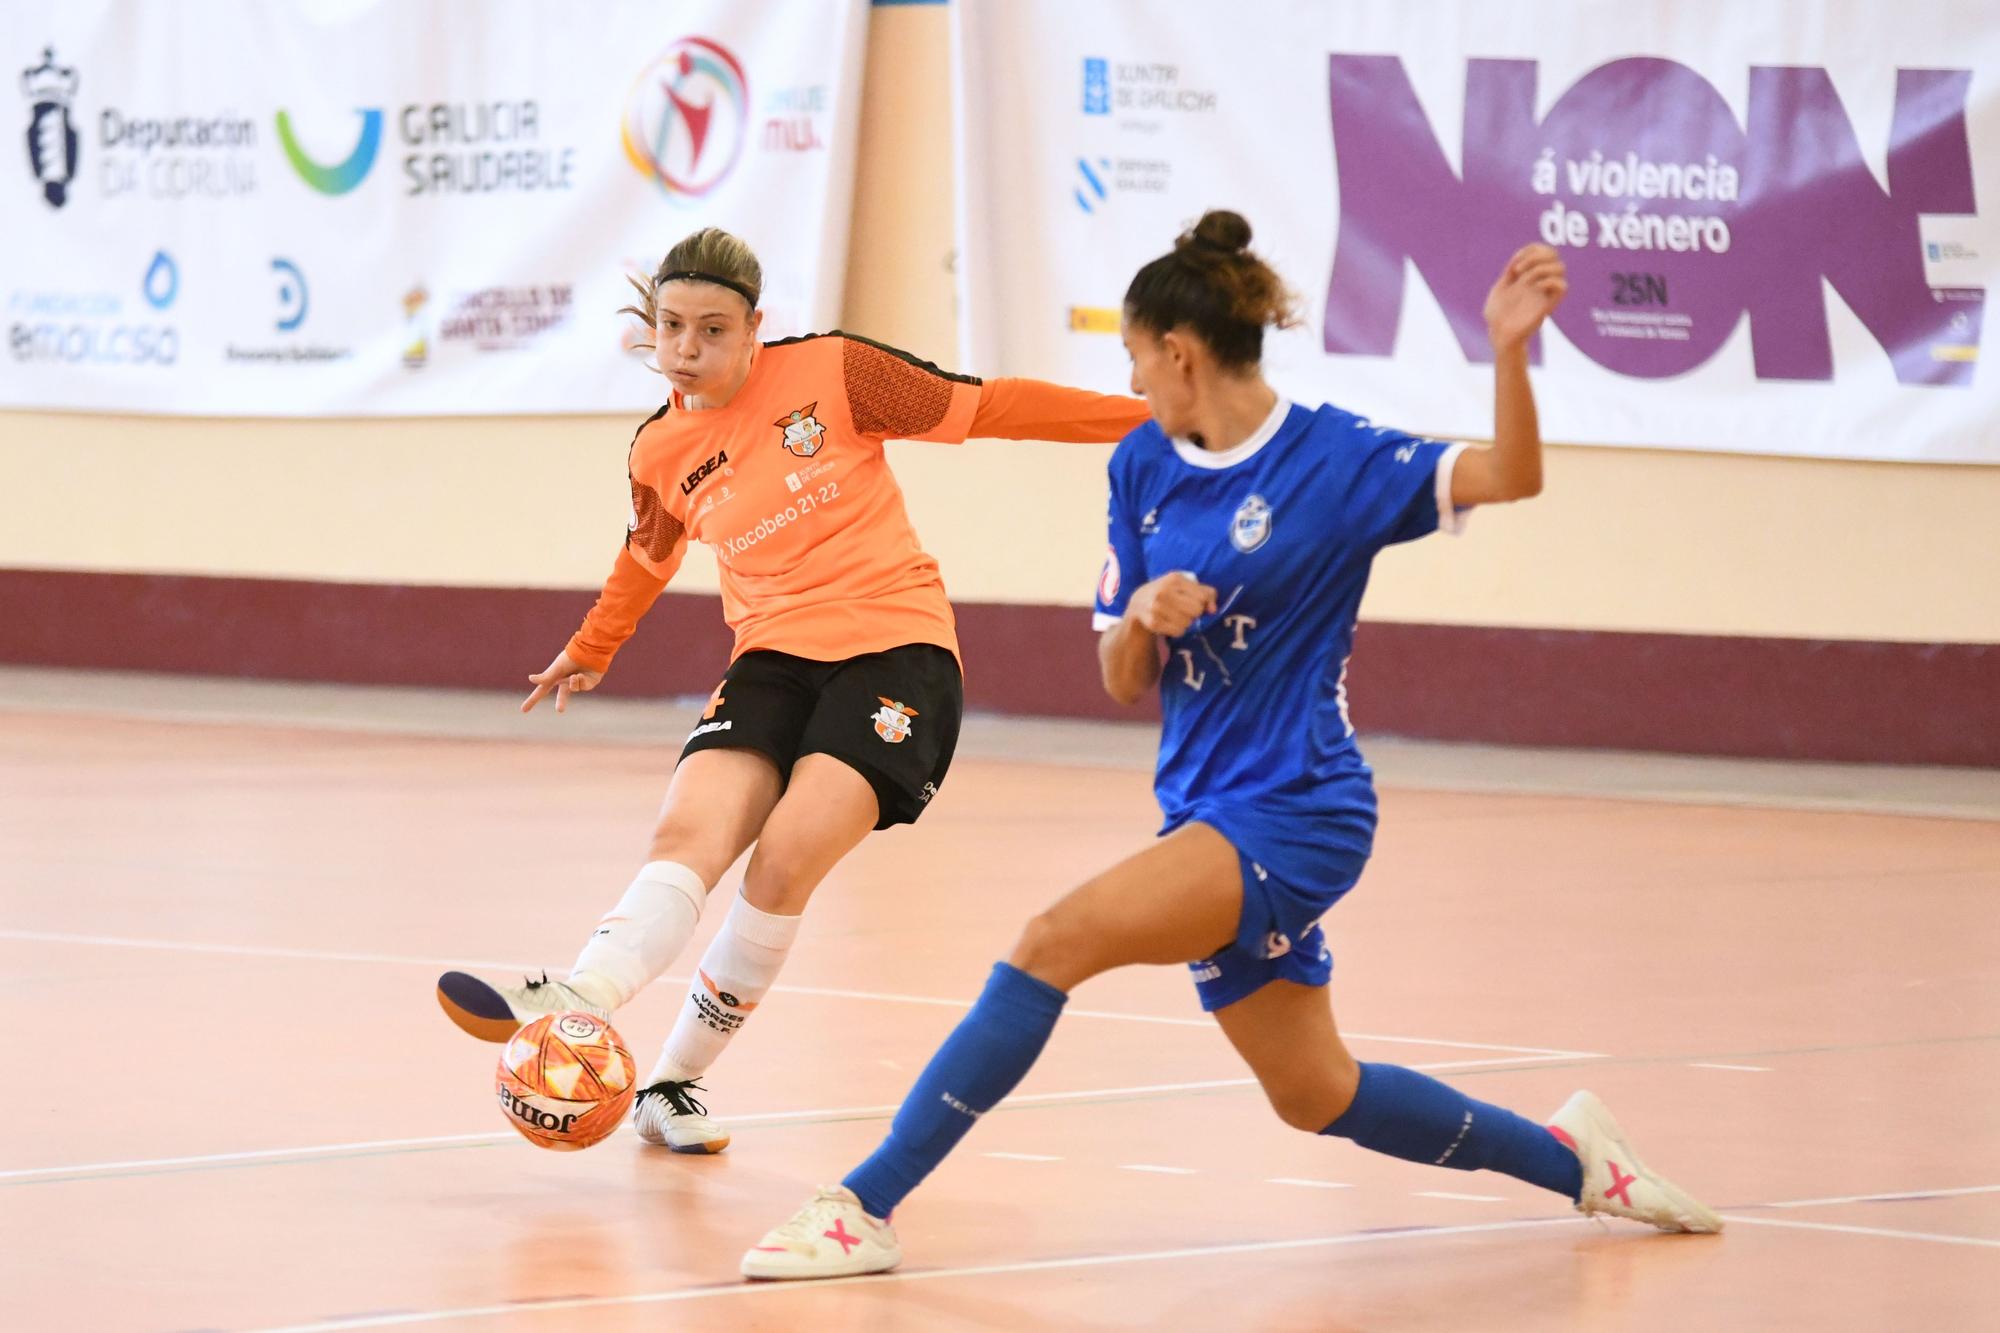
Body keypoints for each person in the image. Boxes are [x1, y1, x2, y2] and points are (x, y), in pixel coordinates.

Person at [741, 212, 1722, 1279]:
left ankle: (861, 1205)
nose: (1130, 380)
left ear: (1179, 352)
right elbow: (1120, 680)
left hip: (1299, 807)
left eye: (1130, 356)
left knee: (1047, 940)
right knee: (1316, 1093)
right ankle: (1572, 1158)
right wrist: (1141, 620)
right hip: (1202, 810)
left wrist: (1509, 352)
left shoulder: (1335, 459)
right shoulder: (1140, 469)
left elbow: (1509, 476)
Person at [434, 227, 1150, 1152]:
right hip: (771, 654)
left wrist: (1154, 423)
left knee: (785, 858)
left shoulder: (835, 372)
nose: (688, 350)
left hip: (896, 646)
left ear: (755, 328)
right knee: (689, 829)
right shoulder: (659, 448)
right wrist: (592, 644)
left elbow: (991, 406)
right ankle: (585, 993)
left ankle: (674, 1082)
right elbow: (648, 553)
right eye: (671, 328)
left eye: (713, 330)